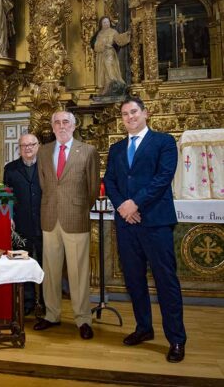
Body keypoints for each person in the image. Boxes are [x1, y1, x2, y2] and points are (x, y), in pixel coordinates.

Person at [104, 96, 186, 363]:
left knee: (166, 281)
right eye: (125, 114)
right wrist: (122, 207)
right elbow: (111, 181)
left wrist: (134, 203)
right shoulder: (116, 149)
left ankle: (176, 339)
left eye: (134, 112)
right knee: (134, 280)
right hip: (127, 225)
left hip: (155, 222)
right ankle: (143, 327)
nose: (130, 117)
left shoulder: (164, 142)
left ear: (145, 113)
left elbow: (163, 177)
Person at [34, 111, 100, 340]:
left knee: (78, 271)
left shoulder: (88, 151)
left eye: (66, 122)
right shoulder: (43, 151)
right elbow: (45, 184)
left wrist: (79, 206)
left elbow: (92, 188)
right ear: (52, 127)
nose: (61, 126)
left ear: (74, 126)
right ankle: (52, 314)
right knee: (50, 270)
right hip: (50, 216)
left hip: (75, 217)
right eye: (57, 123)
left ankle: (83, 318)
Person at [3, 133, 44, 316]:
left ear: (38, 146)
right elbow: (7, 197)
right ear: (19, 148)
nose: (28, 148)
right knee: (23, 263)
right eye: (24, 145)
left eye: (31, 144)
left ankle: (45, 302)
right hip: (20, 225)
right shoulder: (10, 169)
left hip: (45, 224)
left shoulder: (47, 167)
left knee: (46, 265)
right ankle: (27, 302)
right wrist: (9, 216)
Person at [91, 16, 130, 95]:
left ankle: (113, 82)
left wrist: (127, 34)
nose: (106, 24)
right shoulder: (99, 34)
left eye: (107, 22)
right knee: (102, 69)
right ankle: (106, 86)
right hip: (101, 54)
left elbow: (119, 40)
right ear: (101, 24)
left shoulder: (113, 32)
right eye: (104, 22)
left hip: (109, 52)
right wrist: (102, 45)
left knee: (109, 65)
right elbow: (96, 46)